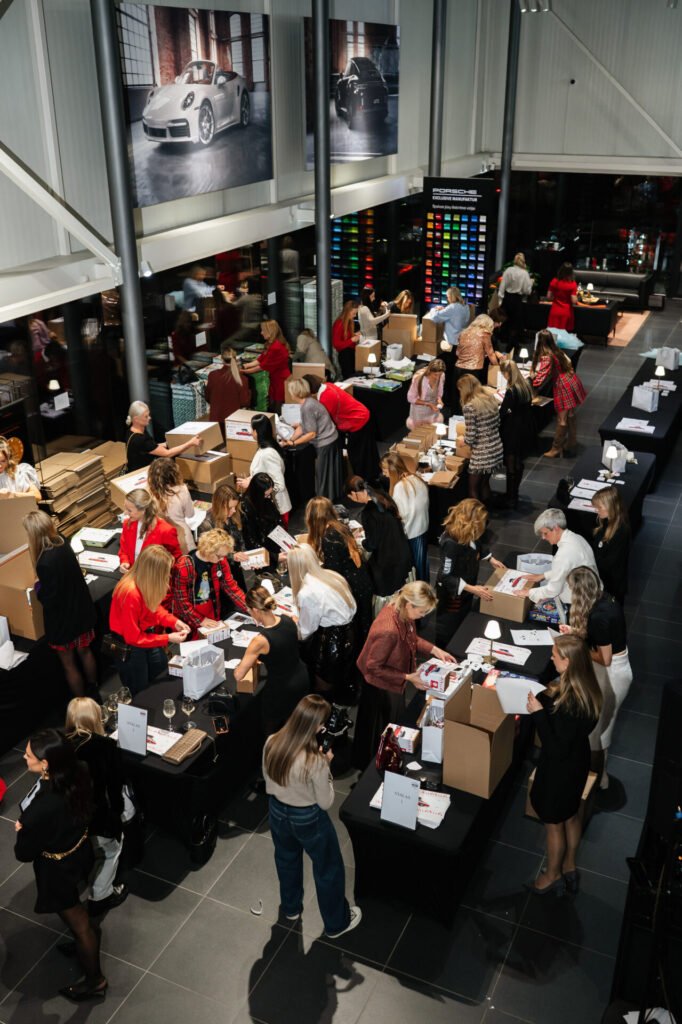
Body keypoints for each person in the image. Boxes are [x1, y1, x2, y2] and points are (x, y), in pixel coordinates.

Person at [15, 729, 106, 1001]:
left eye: (28, 755)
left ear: (45, 764)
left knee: (77, 920)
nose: (23, 758)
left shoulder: (40, 810)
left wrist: (23, 830)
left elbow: (23, 854)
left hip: (57, 870)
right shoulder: (80, 770)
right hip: (79, 851)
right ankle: (85, 939)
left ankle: (95, 981)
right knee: (76, 911)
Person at [263, 694, 361, 938]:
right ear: (315, 725)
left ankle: (291, 908)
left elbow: (268, 779)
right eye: (322, 724)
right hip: (308, 818)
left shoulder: (272, 742)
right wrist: (326, 766)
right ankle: (336, 924)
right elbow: (326, 802)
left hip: (277, 811)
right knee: (328, 868)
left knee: (286, 860)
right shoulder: (314, 760)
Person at [525, 635, 602, 895]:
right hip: (578, 760)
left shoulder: (569, 702)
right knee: (571, 815)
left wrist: (538, 713)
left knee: (553, 823)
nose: (551, 658)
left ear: (568, 662)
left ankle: (552, 874)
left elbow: (555, 748)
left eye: (555, 654)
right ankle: (569, 865)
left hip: (560, 770)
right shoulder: (589, 689)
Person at [354, 582, 455, 768]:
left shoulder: (401, 611)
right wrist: (407, 677)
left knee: (392, 724)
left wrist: (434, 650)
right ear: (409, 605)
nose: (423, 616)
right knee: (380, 731)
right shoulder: (388, 630)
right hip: (380, 689)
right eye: (422, 612)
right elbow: (373, 667)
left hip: (392, 681)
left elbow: (410, 637)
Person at [561, 567, 632, 792]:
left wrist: (579, 646)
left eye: (571, 589)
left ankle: (596, 780)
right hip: (616, 667)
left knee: (598, 734)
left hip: (613, 674)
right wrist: (575, 633)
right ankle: (598, 777)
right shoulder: (605, 598)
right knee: (600, 729)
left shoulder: (598, 617)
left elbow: (605, 658)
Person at [23, 510, 98, 699]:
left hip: (63, 623)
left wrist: (37, 586)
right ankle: (94, 688)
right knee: (85, 652)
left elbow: (49, 599)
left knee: (69, 664)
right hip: (81, 612)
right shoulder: (62, 541)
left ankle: (81, 702)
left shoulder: (44, 562)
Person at [65, 698, 127, 914]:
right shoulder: (104, 747)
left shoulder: (60, 745)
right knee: (111, 851)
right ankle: (101, 896)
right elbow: (115, 786)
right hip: (95, 815)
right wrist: (117, 816)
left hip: (68, 818)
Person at [109, 546, 189, 695]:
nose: (168, 575)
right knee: (140, 690)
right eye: (165, 571)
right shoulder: (130, 593)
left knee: (161, 673)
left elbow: (154, 608)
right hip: (131, 646)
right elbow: (133, 638)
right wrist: (168, 638)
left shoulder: (144, 582)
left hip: (146, 636)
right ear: (154, 572)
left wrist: (173, 622)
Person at [234, 586, 309, 735]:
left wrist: (242, 663)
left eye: (249, 610)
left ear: (255, 610)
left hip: (281, 688)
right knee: (294, 727)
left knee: (271, 730)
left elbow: (238, 675)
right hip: (302, 678)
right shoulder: (288, 620)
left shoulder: (260, 641)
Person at [288, 544, 357, 702]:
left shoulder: (307, 592)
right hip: (350, 633)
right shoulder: (332, 576)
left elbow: (306, 631)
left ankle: (325, 712)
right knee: (341, 676)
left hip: (331, 642)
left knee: (324, 685)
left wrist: (294, 624)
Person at [435, 499, 506, 646]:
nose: (484, 526)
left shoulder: (470, 533)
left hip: (469, 586)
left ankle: (459, 643)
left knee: (464, 617)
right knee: (450, 624)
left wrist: (490, 558)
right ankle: (444, 650)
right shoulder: (450, 544)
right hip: (453, 596)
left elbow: (477, 544)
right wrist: (472, 589)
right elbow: (445, 577)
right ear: (471, 523)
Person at [305, 497, 374, 640]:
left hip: (352, 585)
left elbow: (334, 573)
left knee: (358, 627)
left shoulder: (328, 538)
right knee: (365, 622)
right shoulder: (340, 526)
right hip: (361, 578)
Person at [346, 476, 413, 608]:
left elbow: (372, 544)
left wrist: (361, 541)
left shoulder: (368, 513)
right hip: (402, 553)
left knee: (389, 603)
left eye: (350, 497)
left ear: (354, 493)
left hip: (388, 562)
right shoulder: (383, 497)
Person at [169, 528, 247, 638]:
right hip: (191, 619)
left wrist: (249, 607)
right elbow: (180, 602)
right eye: (219, 556)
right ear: (208, 551)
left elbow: (231, 587)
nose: (222, 559)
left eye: (224, 556)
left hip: (213, 612)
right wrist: (200, 620)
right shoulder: (184, 566)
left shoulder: (220, 562)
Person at [303, 374, 379, 484]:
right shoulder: (327, 386)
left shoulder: (325, 397)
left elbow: (326, 422)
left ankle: (363, 482)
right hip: (361, 415)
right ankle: (371, 477)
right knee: (367, 451)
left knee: (359, 455)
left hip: (357, 421)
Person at [517, 508, 599, 606]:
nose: (543, 537)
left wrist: (529, 592)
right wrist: (542, 576)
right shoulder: (577, 537)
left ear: (556, 528)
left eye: (545, 533)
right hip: (592, 591)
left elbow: (553, 590)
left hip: (581, 601)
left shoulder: (563, 554)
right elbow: (567, 568)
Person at [282, 378, 343, 502]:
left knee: (322, 477)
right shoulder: (309, 402)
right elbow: (303, 426)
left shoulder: (307, 407)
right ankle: (329, 500)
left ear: (295, 392)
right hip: (331, 439)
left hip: (325, 443)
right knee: (328, 475)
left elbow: (311, 434)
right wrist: (290, 438)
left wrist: (293, 443)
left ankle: (322, 504)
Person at [530, 330, 586, 459]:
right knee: (570, 414)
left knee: (562, 419)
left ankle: (556, 448)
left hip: (563, 385)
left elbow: (541, 377)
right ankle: (571, 442)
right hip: (571, 380)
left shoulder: (547, 356)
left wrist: (533, 381)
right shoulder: (558, 351)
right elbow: (568, 363)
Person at [380, 452, 430, 582]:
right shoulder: (415, 478)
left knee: (416, 568)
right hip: (422, 527)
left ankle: (419, 591)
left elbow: (401, 514)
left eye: (385, 470)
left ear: (392, 470)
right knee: (422, 564)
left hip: (412, 532)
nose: (384, 474)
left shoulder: (400, 487)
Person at [457, 373, 504, 505]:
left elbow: (471, 436)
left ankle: (477, 515)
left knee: (473, 488)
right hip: (496, 448)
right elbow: (498, 422)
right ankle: (486, 511)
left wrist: (463, 440)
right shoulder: (490, 399)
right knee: (484, 483)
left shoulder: (469, 407)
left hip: (482, 454)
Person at [237, 413, 292, 524]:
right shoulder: (266, 448)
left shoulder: (268, 454)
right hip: (267, 507)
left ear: (257, 432)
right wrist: (251, 479)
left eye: (252, 429)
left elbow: (279, 484)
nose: (250, 432)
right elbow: (263, 474)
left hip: (276, 509)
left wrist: (251, 484)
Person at [118, 488, 182, 573]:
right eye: (125, 508)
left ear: (143, 510)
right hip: (132, 574)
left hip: (154, 578)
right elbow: (123, 549)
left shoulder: (166, 531)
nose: (125, 513)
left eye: (129, 510)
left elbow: (176, 558)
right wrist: (124, 561)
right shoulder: (127, 524)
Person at [124, 401, 202, 472]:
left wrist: (167, 443)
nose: (150, 418)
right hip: (140, 473)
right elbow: (167, 454)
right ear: (136, 419)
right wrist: (190, 443)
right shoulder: (140, 439)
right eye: (146, 416)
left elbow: (150, 447)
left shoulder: (132, 430)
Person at [498, 358, 534, 508]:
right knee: (518, 461)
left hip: (512, 429)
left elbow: (502, 412)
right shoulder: (525, 385)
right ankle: (514, 493)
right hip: (525, 427)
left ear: (507, 373)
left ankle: (510, 496)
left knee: (511, 462)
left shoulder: (511, 391)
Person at [197, 483, 247, 589]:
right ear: (220, 506)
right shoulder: (207, 524)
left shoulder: (233, 516)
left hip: (235, 567)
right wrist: (233, 556)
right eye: (230, 507)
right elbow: (209, 553)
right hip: (219, 572)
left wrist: (246, 557)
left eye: (235, 507)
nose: (234, 510)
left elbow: (240, 539)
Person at [591, 485, 631, 605]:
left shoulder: (621, 531)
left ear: (610, 506)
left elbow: (610, 562)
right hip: (602, 578)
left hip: (612, 584)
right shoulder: (605, 521)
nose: (596, 510)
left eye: (599, 507)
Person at [147, 457, 196, 554]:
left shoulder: (148, 493)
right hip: (182, 538)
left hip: (160, 540)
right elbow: (190, 514)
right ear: (175, 473)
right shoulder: (182, 489)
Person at [242, 320, 291, 412]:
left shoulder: (276, 347)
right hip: (276, 379)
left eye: (263, 330)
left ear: (270, 331)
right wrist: (246, 365)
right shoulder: (273, 343)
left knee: (277, 407)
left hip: (280, 380)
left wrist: (244, 371)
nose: (261, 333)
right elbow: (261, 358)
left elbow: (262, 366)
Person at [205, 341, 251, 430]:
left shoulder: (212, 375)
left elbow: (207, 397)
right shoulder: (242, 379)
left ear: (222, 359)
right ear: (235, 359)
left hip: (216, 421)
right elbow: (244, 402)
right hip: (233, 423)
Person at [240, 472, 284, 565]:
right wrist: (273, 557)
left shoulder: (264, 498)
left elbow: (276, 518)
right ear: (257, 493)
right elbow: (251, 540)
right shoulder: (246, 507)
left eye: (270, 494)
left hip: (273, 541)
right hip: (261, 550)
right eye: (266, 495)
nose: (269, 497)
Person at [498, 253, 533, 351]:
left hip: (507, 298)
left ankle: (503, 340)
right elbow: (527, 291)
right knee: (516, 322)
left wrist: (500, 301)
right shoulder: (524, 273)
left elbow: (502, 287)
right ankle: (513, 343)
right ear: (523, 261)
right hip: (517, 300)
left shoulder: (508, 270)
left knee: (506, 320)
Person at [455, 314, 499, 385]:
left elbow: (457, 353)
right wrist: (497, 367)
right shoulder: (484, 334)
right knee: (473, 392)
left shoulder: (463, 332)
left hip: (458, 369)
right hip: (473, 371)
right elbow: (490, 353)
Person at [406, 359, 445, 429]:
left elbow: (439, 393)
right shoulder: (418, 378)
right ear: (430, 371)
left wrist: (439, 400)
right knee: (419, 431)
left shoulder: (442, 375)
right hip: (420, 411)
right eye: (435, 375)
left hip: (433, 410)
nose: (438, 377)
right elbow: (411, 398)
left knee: (432, 431)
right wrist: (429, 404)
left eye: (440, 374)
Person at [332, 299, 361, 380]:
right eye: (354, 313)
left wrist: (354, 335)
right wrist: (352, 340)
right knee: (349, 378)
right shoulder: (339, 324)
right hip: (345, 356)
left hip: (350, 354)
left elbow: (346, 338)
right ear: (348, 311)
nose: (355, 315)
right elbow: (336, 344)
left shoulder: (349, 322)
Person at [547, 262, 578, 332]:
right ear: (571, 273)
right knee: (564, 335)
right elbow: (574, 301)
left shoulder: (554, 281)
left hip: (554, 311)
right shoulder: (572, 284)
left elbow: (549, 297)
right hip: (566, 313)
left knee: (553, 334)